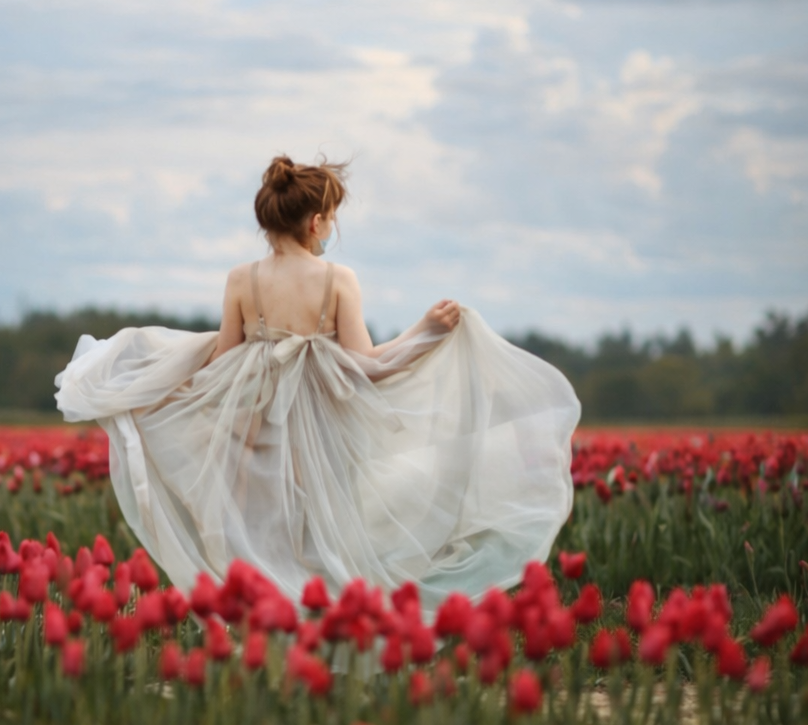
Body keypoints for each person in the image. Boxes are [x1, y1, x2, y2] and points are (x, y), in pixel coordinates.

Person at [55, 155, 581, 611]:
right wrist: (426, 332)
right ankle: (316, 611)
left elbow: (221, 362)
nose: (331, 228)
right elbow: (369, 365)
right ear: (315, 221)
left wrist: (166, 394)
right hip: (323, 426)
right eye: (330, 219)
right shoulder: (336, 280)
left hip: (252, 413)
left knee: (248, 515)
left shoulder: (242, 278)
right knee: (315, 522)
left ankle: (251, 606)